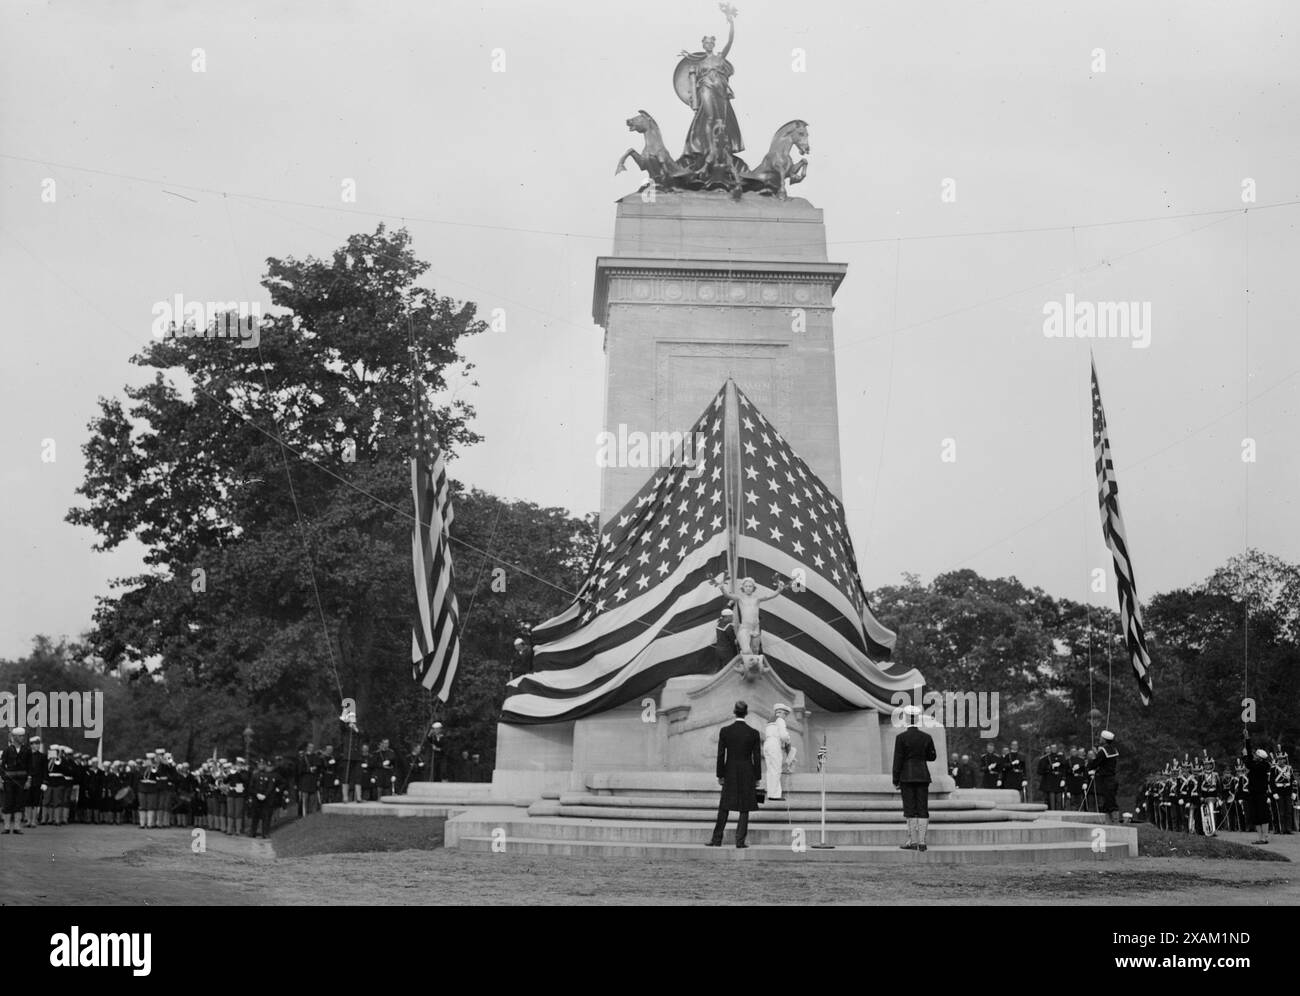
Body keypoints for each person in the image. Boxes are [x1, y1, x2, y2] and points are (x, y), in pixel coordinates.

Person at [708, 700, 761, 848]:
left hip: (730, 770)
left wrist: (720, 774)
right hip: (747, 772)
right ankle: (740, 841)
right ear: (746, 713)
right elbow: (756, 757)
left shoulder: (725, 731)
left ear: (734, 712)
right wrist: (757, 777)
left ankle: (717, 839)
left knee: (724, 806)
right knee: (744, 808)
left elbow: (720, 755)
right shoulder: (753, 733)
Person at [707, 573, 785, 655]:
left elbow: (769, 596)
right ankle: (745, 658)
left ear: (753, 588)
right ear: (743, 588)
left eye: (750, 586)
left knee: (755, 650)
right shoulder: (740, 598)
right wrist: (722, 588)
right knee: (746, 651)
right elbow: (728, 595)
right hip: (745, 628)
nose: (748, 588)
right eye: (746, 586)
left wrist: (779, 590)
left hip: (755, 628)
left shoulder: (757, 598)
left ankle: (752, 665)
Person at [893, 706, 937, 851]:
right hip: (923, 776)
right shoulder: (926, 737)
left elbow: (898, 760)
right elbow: (932, 757)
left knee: (910, 809)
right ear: (918, 719)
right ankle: (922, 842)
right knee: (922, 808)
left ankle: (912, 841)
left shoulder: (901, 738)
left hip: (906, 776)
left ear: (906, 719)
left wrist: (895, 779)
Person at [1, 727, 31, 834]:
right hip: (9, 781)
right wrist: (2, 779)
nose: (22, 738)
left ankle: (17, 827)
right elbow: (2, 766)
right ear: (14, 737)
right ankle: (7, 827)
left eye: (23, 736)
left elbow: (30, 767)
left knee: (19, 803)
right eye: (20, 736)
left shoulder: (27, 750)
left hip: (22, 781)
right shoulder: (7, 750)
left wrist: (28, 780)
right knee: (8, 803)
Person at [1244, 739, 1272, 844]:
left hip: (1261, 794)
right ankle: (1260, 837)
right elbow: (1250, 761)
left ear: (1260, 758)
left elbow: (1249, 763)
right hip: (1253, 794)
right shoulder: (1257, 765)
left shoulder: (1262, 766)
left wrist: (1245, 755)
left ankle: (1264, 837)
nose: (1254, 757)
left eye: (1256, 756)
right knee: (1256, 816)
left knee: (1263, 815)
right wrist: (1247, 741)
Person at [1092, 731, 1120, 823]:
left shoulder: (1103, 751)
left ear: (1104, 740)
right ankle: (1108, 820)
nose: (1100, 739)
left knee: (1109, 800)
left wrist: (1096, 754)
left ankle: (1115, 820)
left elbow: (1095, 763)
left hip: (1106, 779)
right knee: (1107, 800)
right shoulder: (1114, 749)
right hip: (1112, 778)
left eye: (1101, 738)